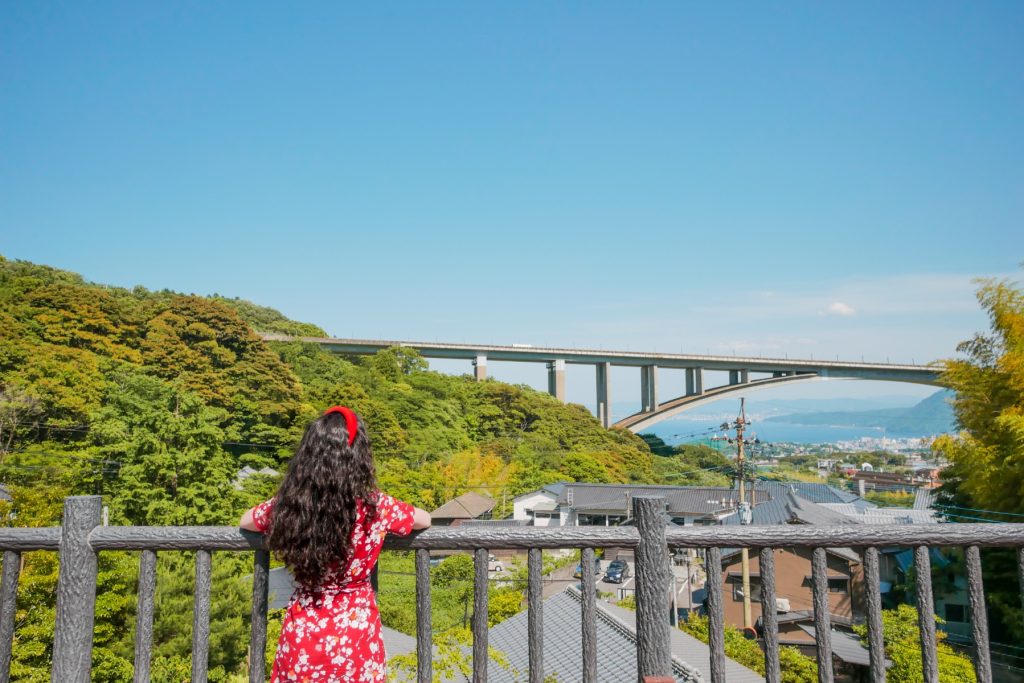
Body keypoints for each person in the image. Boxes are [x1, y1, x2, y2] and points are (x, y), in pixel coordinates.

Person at [240, 406, 431, 682]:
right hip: (356, 634)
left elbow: (247, 520)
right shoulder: (375, 506)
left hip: (305, 631)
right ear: (358, 457)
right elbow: (424, 519)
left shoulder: (294, 505)